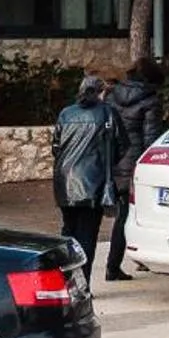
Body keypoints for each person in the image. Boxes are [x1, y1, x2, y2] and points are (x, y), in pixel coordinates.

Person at [52, 74, 123, 274]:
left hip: (64, 182)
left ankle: (66, 279)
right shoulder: (107, 113)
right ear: (101, 92)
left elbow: (56, 146)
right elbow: (121, 145)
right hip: (93, 182)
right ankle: (82, 283)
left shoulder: (66, 113)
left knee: (68, 232)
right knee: (87, 235)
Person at [103, 58, 166, 281]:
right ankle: (115, 266)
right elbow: (151, 138)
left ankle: (120, 264)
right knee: (134, 215)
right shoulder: (151, 101)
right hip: (135, 164)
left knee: (123, 215)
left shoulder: (112, 95)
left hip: (115, 161)